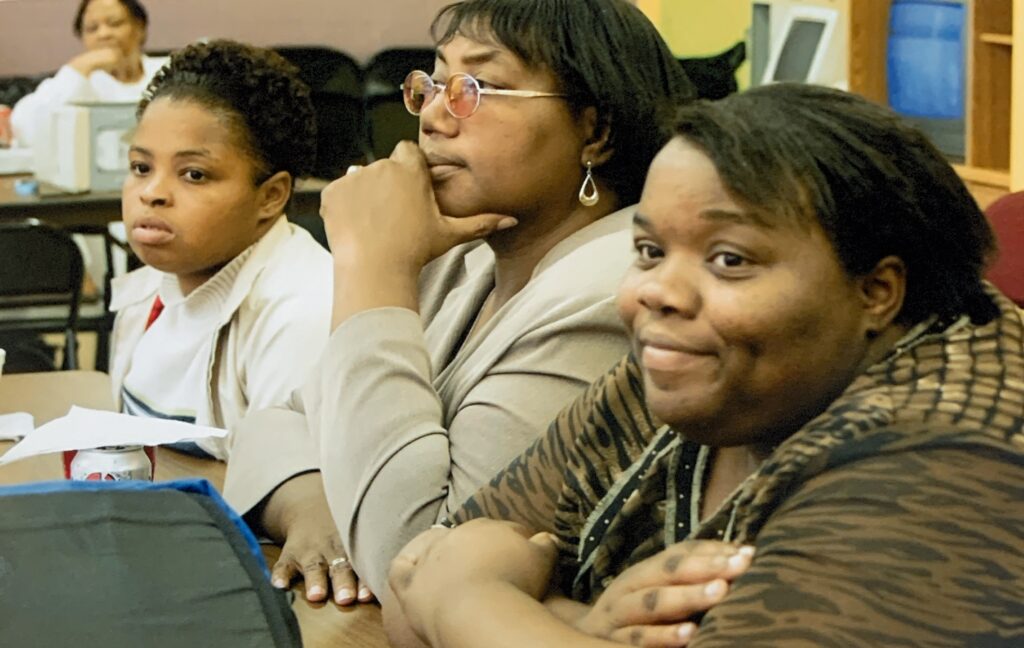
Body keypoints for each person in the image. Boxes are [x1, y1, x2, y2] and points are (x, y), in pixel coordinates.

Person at [387, 84, 1024, 647]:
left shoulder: (952, 445)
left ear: (877, 292)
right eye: (649, 249)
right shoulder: (687, 367)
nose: (657, 291)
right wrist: (567, 625)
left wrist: (474, 600)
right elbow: (409, 582)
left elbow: (439, 588)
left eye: (729, 260)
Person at [222, 0, 695, 607]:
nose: (433, 117)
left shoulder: (615, 291)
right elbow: (275, 423)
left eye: (479, 86)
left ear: (594, 132)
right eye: (434, 84)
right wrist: (313, 506)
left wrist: (375, 266)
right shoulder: (465, 255)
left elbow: (417, 564)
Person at [108, 40, 332, 460]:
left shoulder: (304, 313)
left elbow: (292, 496)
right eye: (141, 167)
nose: (152, 193)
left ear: (271, 196)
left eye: (194, 174)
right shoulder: (153, 287)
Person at [10, 0, 167, 148]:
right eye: (92, 29)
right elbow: (25, 128)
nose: (104, 34)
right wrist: (80, 66)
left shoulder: (168, 69)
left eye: (115, 24)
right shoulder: (77, 81)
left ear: (140, 28)